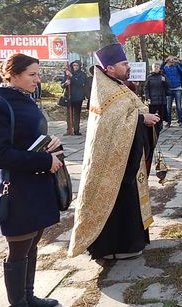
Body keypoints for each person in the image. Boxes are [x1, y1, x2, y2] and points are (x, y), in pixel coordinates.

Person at [0, 53, 64, 307]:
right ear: (13, 75)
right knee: (18, 249)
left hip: (38, 188)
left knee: (32, 243)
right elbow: (0, 155)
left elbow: (28, 138)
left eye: (38, 74)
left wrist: (53, 146)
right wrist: (44, 162)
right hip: (17, 190)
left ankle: (29, 297)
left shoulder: (26, 100)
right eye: (32, 75)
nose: (38, 80)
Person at [69, 43, 160, 260]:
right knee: (117, 200)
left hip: (127, 156)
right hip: (111, 161)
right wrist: (141, 119)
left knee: (129, 199)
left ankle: (130, 243)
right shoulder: (105, 89)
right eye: (124, 63)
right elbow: (111, 123)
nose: (128, 67)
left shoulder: (117, 85)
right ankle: (113, 248)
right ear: (110, 68)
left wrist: (144, 117)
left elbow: (130, 111)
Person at [60, 60, 87, 136]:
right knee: (69, 114)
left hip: (78, 97)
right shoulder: (67, 74)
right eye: (74, 65)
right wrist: (66, 83)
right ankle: (69, 130)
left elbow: (81, 83)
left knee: (76, 114)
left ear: (79, 66)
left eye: (77, 65)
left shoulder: (82, 74)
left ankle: (76, 130)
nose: (75, 67)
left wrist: (72, 77)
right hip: (69, 96)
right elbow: (62, 85)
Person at [162, 56, 182, 127]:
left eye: (173, 60)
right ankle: (168, 121)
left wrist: (179, 62)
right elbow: (160, 69)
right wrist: (164, 61)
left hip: (177, 88)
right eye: (171, 60)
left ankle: (180, 121)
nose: (172, 61)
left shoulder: (177, 66)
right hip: (169, 88)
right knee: (168, 106)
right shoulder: (165, 67)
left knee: (179, 105)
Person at [144, 63, 169, 127]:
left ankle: (160, 125)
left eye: (158, 67)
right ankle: (152, 126)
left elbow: (168, 87)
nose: (156, 68)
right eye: (155, 67)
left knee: (161, 114)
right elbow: (146, 88)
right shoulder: (149, 77)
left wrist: (164, 82)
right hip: (153, 99)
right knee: (152, 113)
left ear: (160, 68)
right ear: (152, 68)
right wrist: (147, 97)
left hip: (161, 99)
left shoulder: (163, 76)